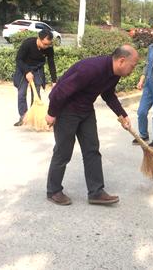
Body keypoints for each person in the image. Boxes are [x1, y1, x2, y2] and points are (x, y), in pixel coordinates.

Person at [45, 44, 139, 206]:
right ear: (122, 61)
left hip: (86, 110)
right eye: (133, 66)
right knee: (63, 151)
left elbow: (108, 94)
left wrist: (121, 114)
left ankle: (96, 192)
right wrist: (52, 113)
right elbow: (59, 92)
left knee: (92, 150)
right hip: (67, 110)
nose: (133, 70)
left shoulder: (114, 73)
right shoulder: (91, 69)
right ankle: (53, 190)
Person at [13, 29, 57, 126]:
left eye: (48, 44)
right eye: (44, 44)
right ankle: (23, 117)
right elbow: (19, 59)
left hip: (37, 68)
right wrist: (27, 72)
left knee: (36, 93)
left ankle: (34, 117)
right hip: (24, 67)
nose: (46, 47)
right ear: (39, 39)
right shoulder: (28, 43)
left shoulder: (49, 48)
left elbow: (51, 63)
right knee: (21, 93)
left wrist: (54, 81)